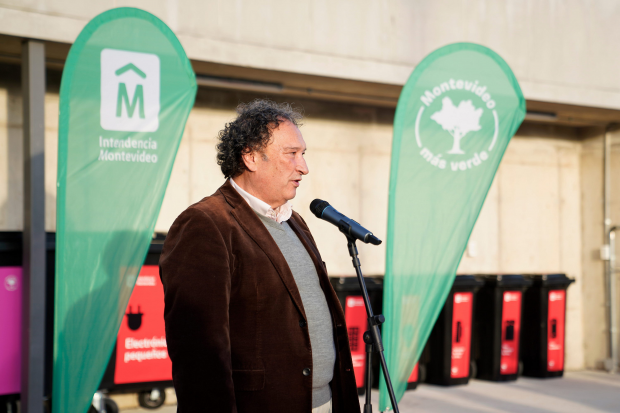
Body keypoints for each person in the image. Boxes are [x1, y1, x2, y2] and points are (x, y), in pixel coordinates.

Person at [160, 99, 360, 413]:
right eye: (291, 154)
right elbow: (199, 353)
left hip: (325, 402)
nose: (303, 167)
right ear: (251, 157)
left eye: (303, 154)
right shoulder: (206, 223)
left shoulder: (294, 220)